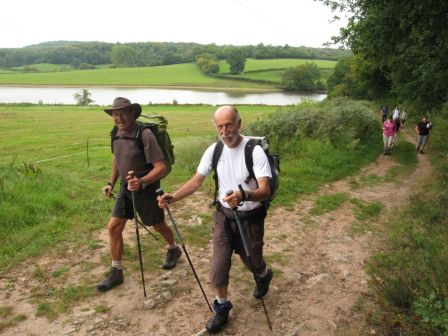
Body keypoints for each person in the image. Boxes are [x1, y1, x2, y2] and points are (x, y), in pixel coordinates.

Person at [158, 105, 273, 333]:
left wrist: (244, 195)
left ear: (239, 123)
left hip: (250, 216)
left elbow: (265, 190)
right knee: (219, 264)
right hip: (224, 216)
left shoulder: (254, 151)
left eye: (229, 125)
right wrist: (173, 198)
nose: (225, 130)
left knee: (252, 260)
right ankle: (221, 308)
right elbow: (196, 181)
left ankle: (263, 274)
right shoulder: (215, 150)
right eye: (220, 126)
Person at [97, 97, 182, 292]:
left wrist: (142, 182)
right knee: (114, 227)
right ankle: (116, 271)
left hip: (147, 188)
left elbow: (160, 167)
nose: (118, 118)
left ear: (133, 114)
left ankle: (173, 249)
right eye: (115, 114)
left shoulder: (144, 134)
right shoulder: (115, 133)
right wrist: (111, 182)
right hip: (126, 188)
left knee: (158, 225)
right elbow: (117, 158)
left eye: (122, 114)